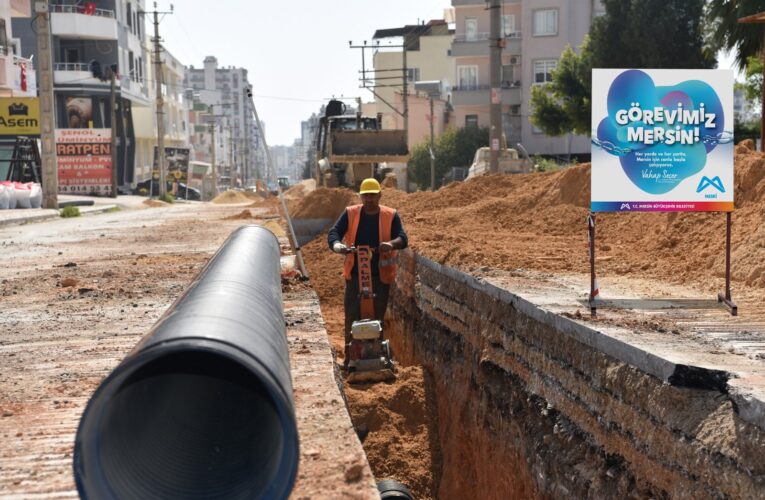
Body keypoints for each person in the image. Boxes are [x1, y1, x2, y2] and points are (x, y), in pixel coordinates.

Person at [328, 178, 408, 369]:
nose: (369, 199)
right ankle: (351, 359)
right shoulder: (351, 214)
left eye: (373, 195)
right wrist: (338, 246)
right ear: (361, 196)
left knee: (377, 318)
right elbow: (334, 233)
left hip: (380, 277)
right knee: (352, 316)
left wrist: (390, 244)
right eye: (366, 196)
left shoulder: (391, 215)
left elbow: (403, 238)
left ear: (380, 195)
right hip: (355, 276)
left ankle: (375, 357)